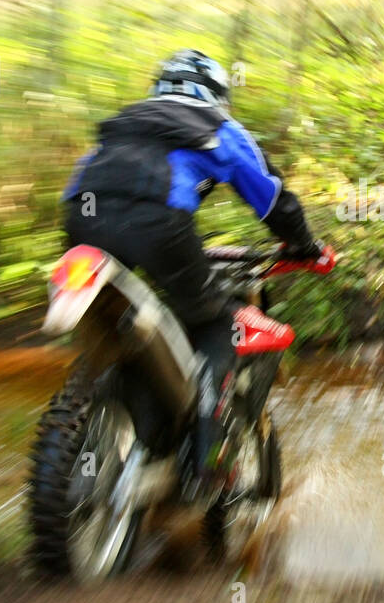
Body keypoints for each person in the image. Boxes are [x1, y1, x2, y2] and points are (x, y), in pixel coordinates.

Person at [60, 49, 330, 492]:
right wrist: (304, 244)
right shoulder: (216, 125)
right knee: (215, 322)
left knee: (128, 317)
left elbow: (83, 181)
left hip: (80, 222)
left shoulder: (123, 123)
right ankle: (206, 464)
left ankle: (122, 411)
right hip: (160, 223)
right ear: (216, 94)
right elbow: (271, 195)